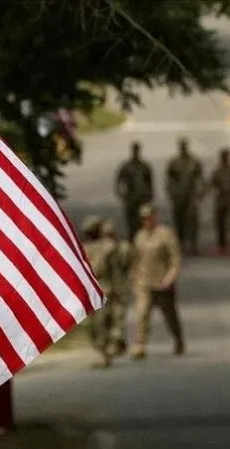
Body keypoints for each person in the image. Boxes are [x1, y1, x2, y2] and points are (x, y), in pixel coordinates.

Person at [128, 204, 185, 358]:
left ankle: (178, 339)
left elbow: (175, 258)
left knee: (170, 316)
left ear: (155, 216)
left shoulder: (166, 234)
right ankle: (140, 345)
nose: (147, 221)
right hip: (144, 282)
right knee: (142, 314)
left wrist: (170, 277)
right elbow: (135, 260)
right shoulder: (140, 236)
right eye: (143, 218)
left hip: (162, 283)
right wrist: (134, 279)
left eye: (149, 217)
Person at [82, 217, 131, 367]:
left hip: (105, 287)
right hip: (91, 290)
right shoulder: (84, 248)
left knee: (102, 322)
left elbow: (116, 271)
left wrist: (118, 290)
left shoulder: (109, 248)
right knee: (93, 325)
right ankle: (108, 348)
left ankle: (105, 354)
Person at [166, 137, 205, 255]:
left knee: (192, 220)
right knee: (179, 220)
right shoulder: (174, 162)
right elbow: (169, 179)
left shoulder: (194, 162)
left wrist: (201, 192)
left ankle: (193, 245)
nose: (183, 148)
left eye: (184, 146)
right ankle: (181, 244)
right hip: (178, 195)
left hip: (191, 195)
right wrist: (171, 193)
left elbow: (200, 177)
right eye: (181, 146)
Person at [115, 141, 154, 240]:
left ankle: (142, 242)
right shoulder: (127, 166)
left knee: (143, 222)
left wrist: (149, 197)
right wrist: (122, 195)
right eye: (134, 150)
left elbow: (150, 183)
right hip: (131, 199)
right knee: (131, 223)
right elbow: (118, 181)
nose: (136, 152)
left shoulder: (144, 166)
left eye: (137, 150)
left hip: (142, 199)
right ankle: (132, 240)